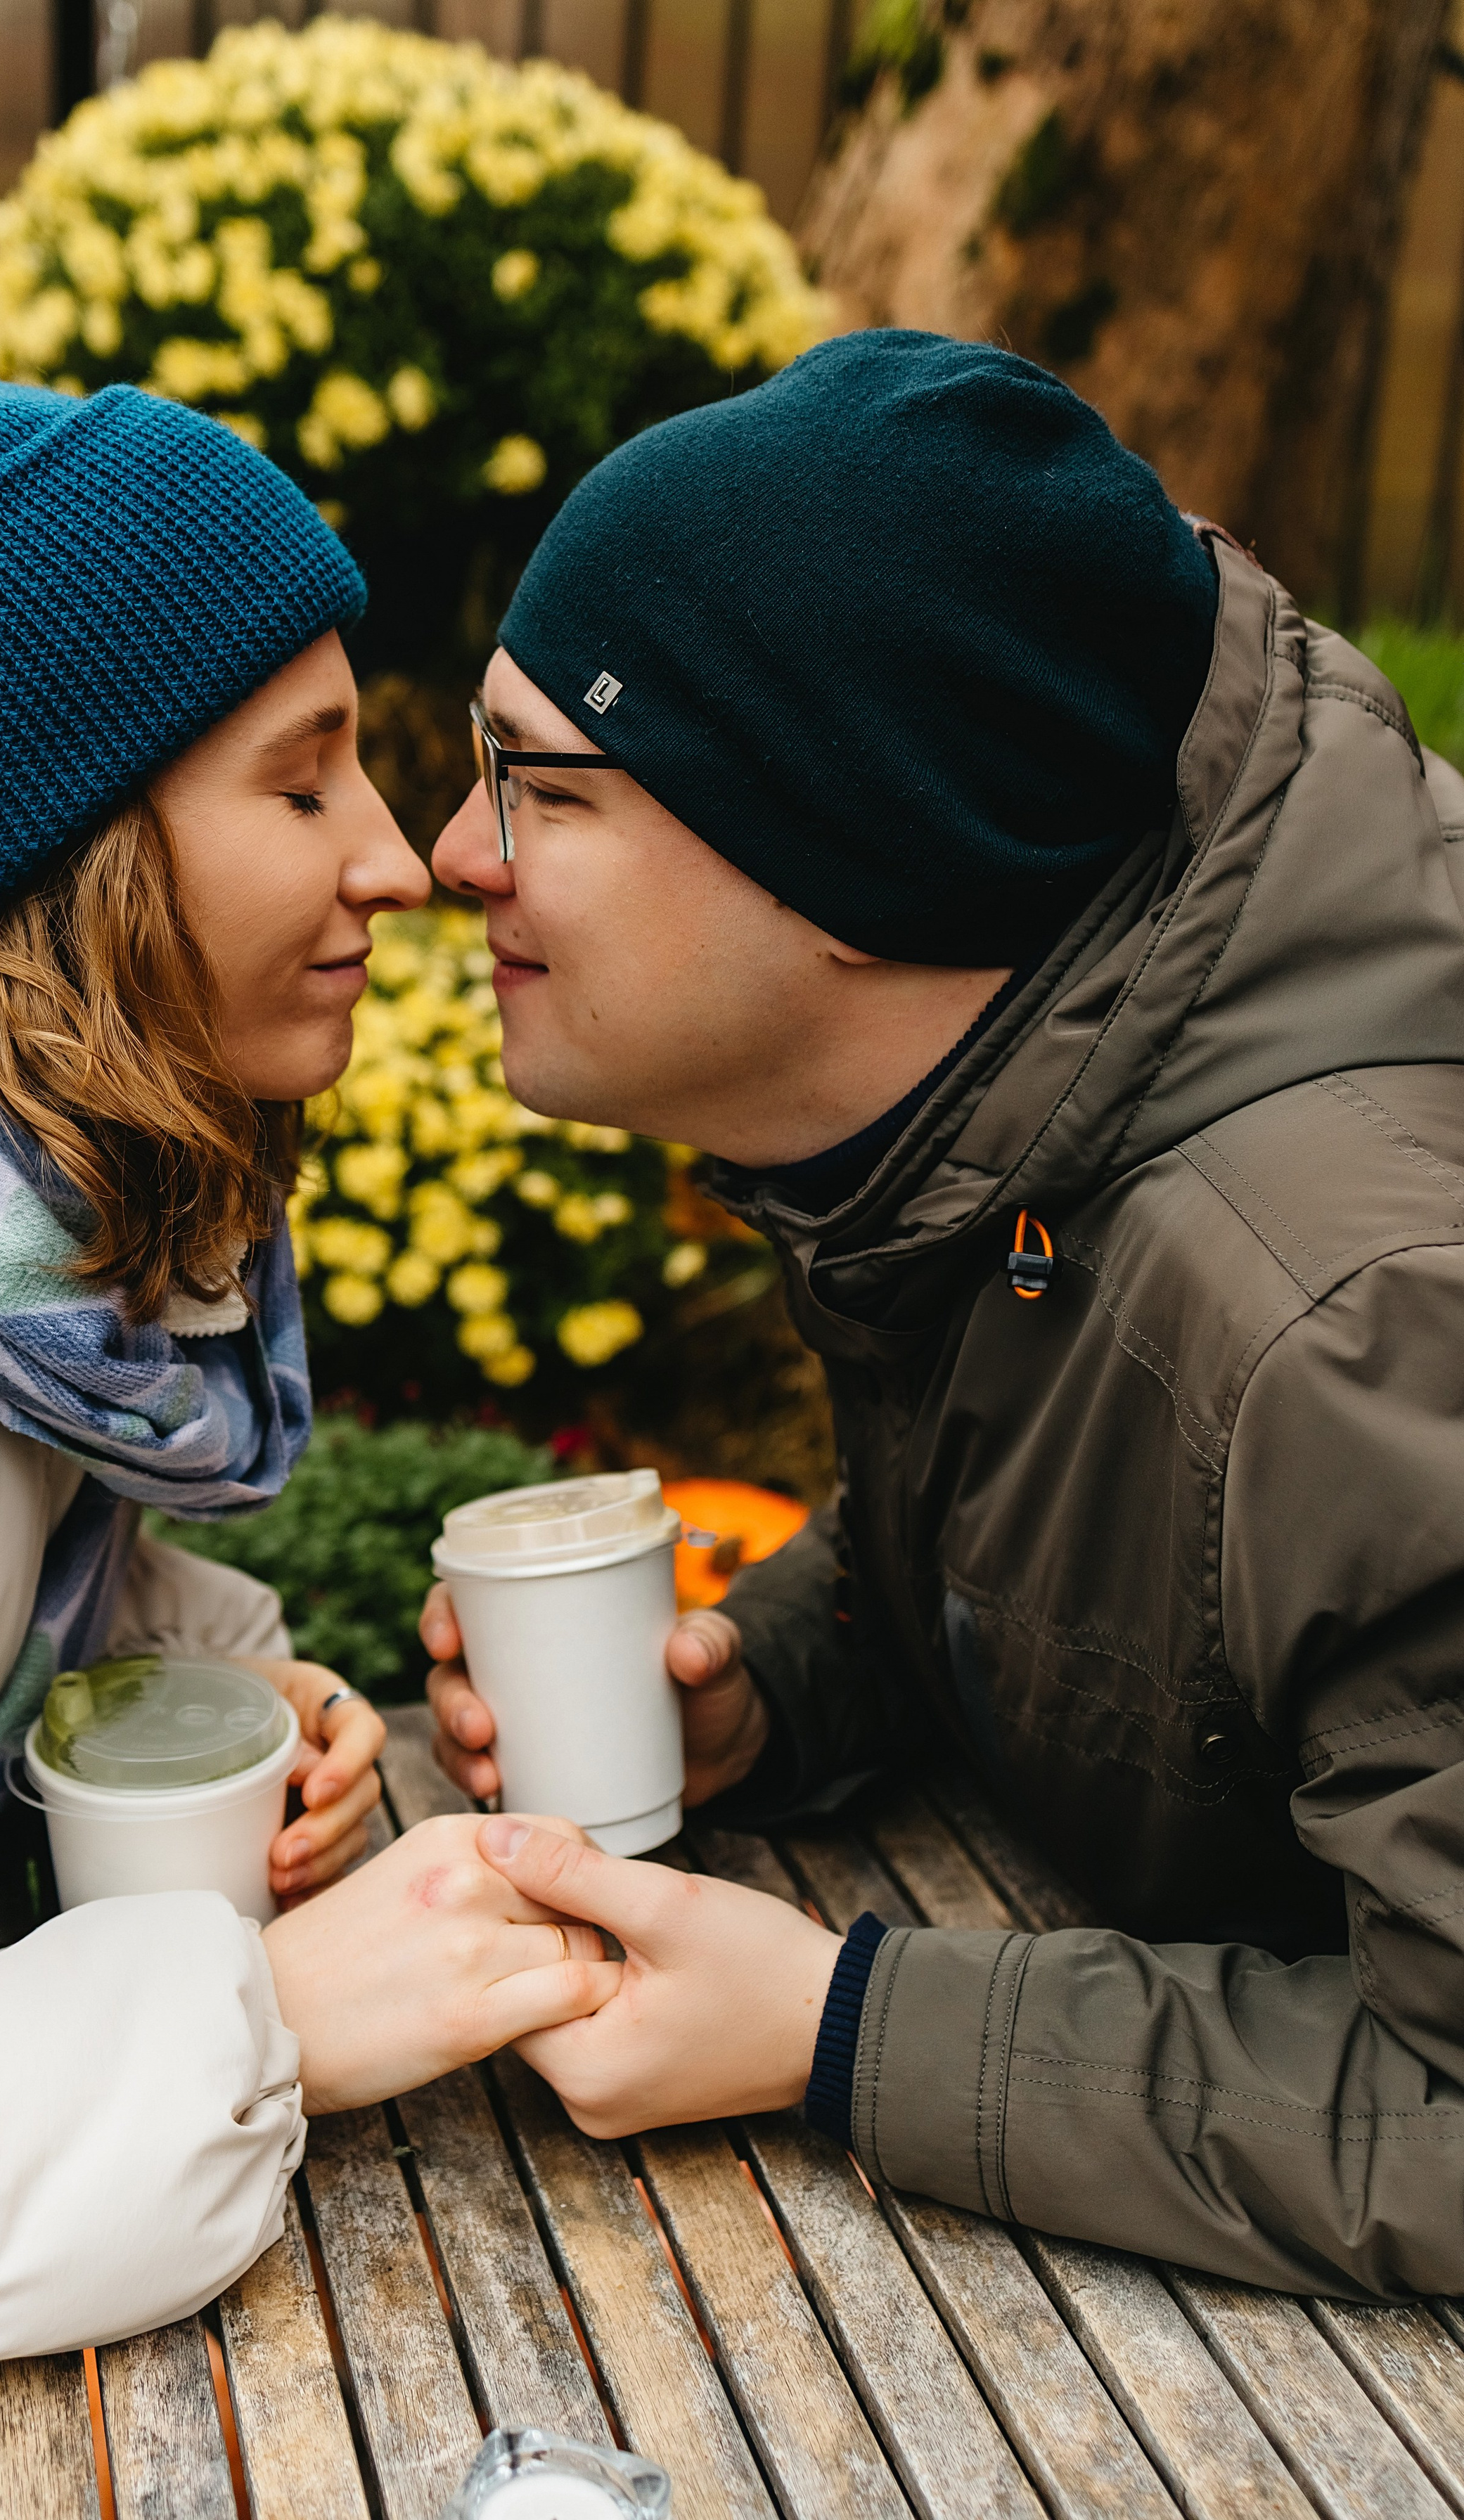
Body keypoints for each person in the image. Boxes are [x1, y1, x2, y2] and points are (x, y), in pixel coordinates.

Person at [423, 326, 1464, 2303]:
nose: (444, 856)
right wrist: (777, 1685)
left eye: (536, 784)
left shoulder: (1364, 1336)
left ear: (845, 856)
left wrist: (837, 2028)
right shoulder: (1001, 1104)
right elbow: (1138, 1542)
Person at [0, 283, 617, 2437]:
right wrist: (251, 2019)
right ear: (51, 863)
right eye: (303, 785)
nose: (398, 858)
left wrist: (200, 1711)